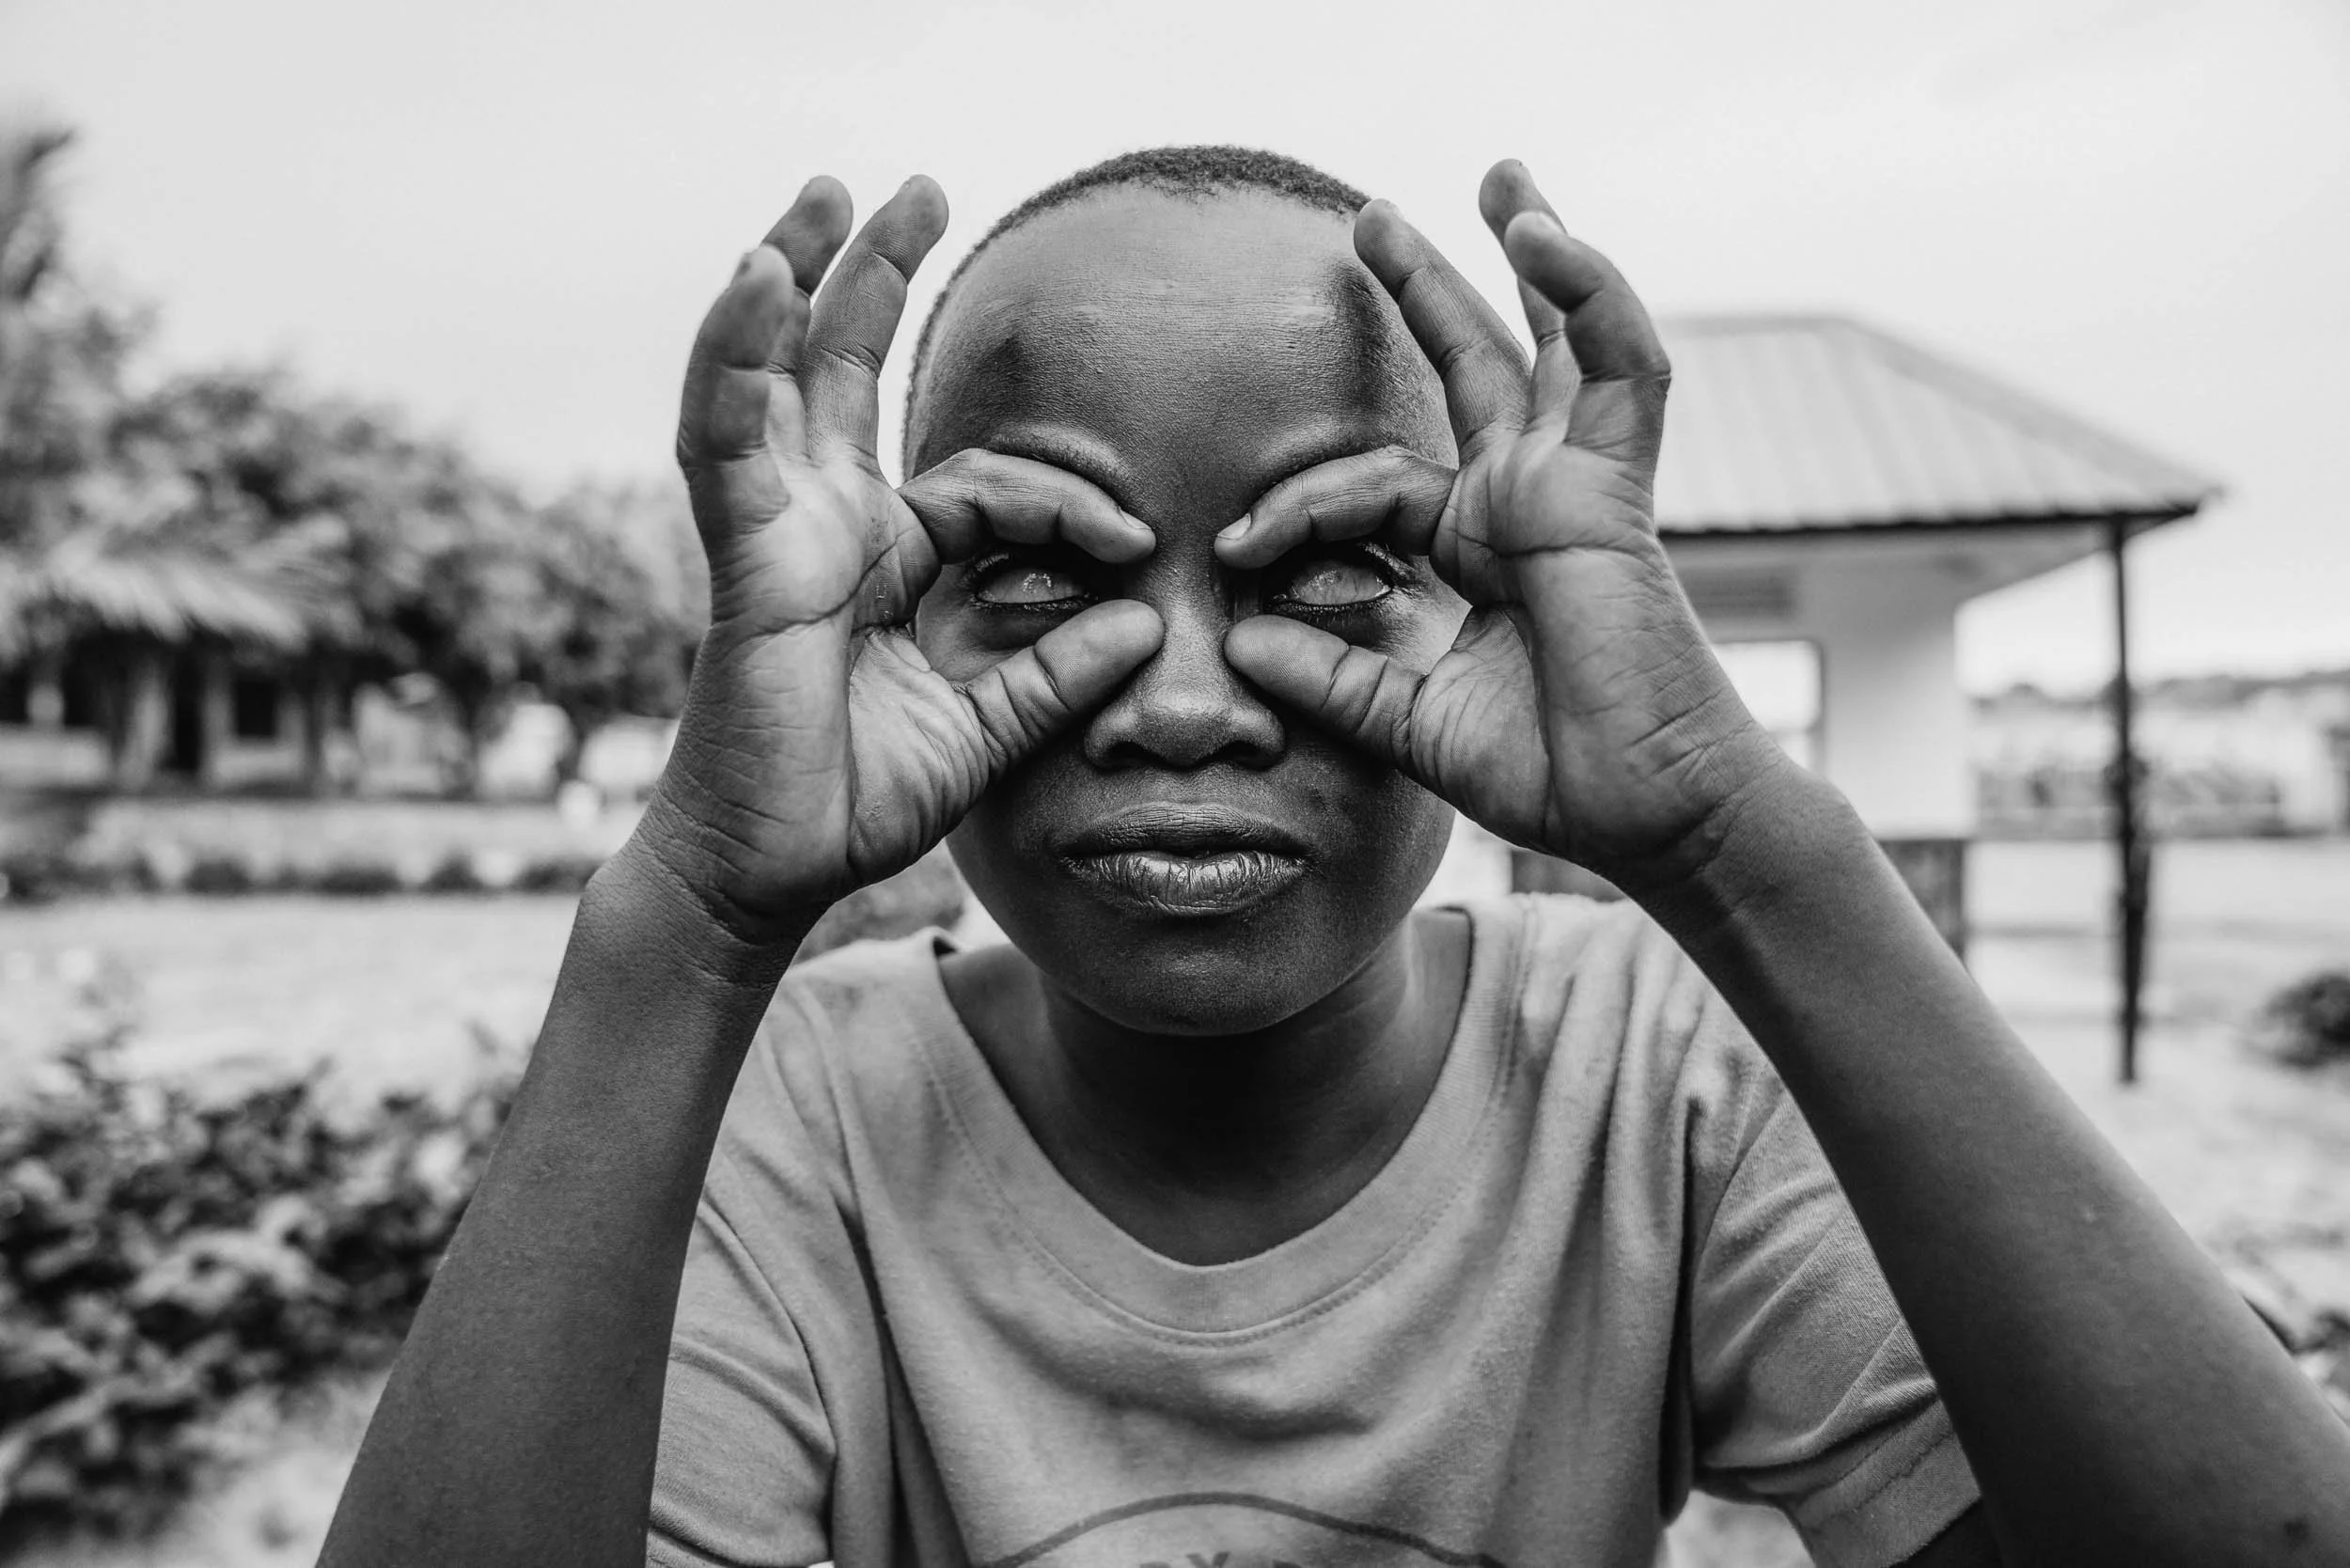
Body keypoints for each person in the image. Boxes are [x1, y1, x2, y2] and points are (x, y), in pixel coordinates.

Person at [318, 148, 2350, 1568]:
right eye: (1032, 564)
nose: (1184, 704)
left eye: (1335, 561)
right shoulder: (790, 1116)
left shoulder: (1652, 1079)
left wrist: (1739, 839)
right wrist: (687, 916)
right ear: (890, 620)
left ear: (1481, 606)